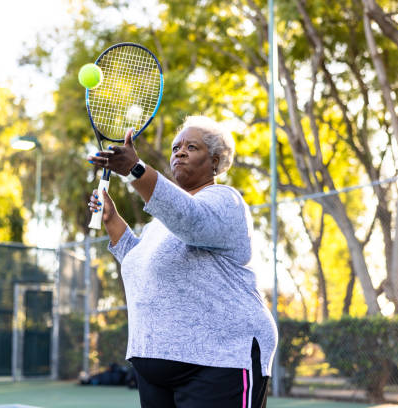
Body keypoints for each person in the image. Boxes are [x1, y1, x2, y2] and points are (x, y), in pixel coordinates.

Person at [86, 116, 278, 408]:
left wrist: (135, 170)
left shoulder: (225, 201)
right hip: (154, 363)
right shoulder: (159, 223)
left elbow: (190, 219)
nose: (180, 152)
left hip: (218, 360)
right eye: (176, 148)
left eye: (192, 147)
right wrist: (111, 218)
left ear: (215, 160)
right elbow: (138, 264)